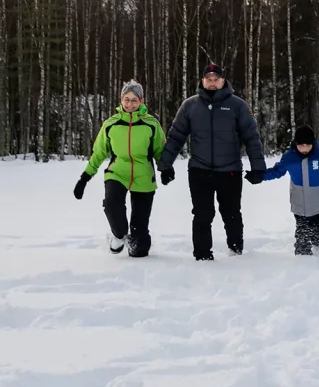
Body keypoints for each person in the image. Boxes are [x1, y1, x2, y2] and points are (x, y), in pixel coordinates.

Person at [157, 63, 267, 261]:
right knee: (202, 215)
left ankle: (236, 252)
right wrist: (165, 165)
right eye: (209, 79)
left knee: (231, 213)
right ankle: (202, 256)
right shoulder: (190, 106)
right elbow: (176, 137)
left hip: (230, 171)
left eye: (216, 79)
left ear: (223, 81)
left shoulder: (237, 106)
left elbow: (251, 138)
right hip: (200, 171)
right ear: (202, 81)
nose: (212, 83)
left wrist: (258, 167)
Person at [73, 81, 166, 258]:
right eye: (126, 99)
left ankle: (136, 243)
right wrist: (85, 178)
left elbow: (160, 151)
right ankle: (118, 235)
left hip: (144, 176)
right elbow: (99, 153)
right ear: (121, 100)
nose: (130, 104)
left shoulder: (151, 124)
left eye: (134, 100)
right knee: (111, 204)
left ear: (142, 101)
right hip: (117, 172)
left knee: (139, 248)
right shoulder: (111, 124)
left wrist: (165, 168)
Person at [247, 125, 319, 256]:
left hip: (318, 204)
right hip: (299, 204)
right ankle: (302, 256)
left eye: (308, 145)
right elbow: (277, 171)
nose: (305, 149)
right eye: (301, 145)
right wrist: (260, 176)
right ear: (295, 144)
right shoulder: (289, 158)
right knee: (302, 233)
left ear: (313, 143)